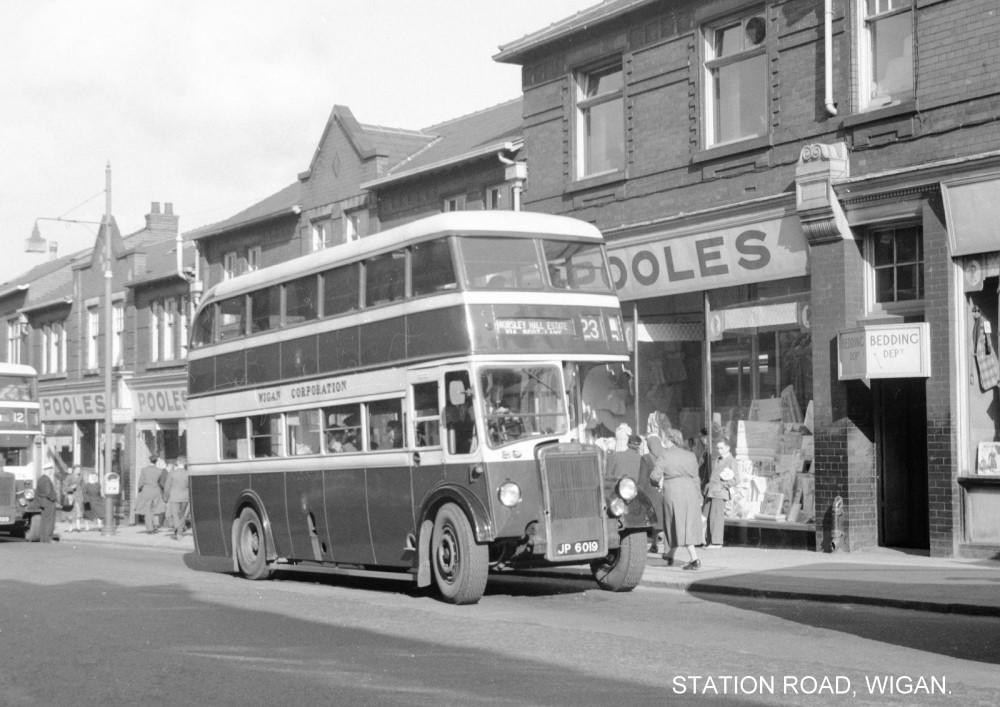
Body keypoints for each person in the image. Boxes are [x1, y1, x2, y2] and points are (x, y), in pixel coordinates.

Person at [648, 428, 703, 570]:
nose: (663, 441)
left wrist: (657, 484)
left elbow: (654, 476)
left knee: (675, 524)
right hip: (690, 491)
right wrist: (699, 496)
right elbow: (696, 478)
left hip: (673, 491)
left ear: (670, 439)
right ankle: (670, 554)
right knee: (684, 523)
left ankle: (694, 559)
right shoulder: (691, 455)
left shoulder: (665, 455)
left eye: (665, 438)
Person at [703, 437, 735, 549]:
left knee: (716, 517)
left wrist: (723, 485)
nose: (719, 450)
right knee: (706, 516)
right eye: (718, 448)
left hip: (720, 492)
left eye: (721, 448)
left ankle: (716, 542)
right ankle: (707, 540)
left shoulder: (731, 460)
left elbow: (736, 479)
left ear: (728, 448)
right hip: (712, 491)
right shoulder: (718, 459)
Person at [136, 455, 166, 533]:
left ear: (149, 461)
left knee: (147, 510)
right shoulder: (160, 470)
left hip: (146, 490)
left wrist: (139, 489)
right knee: (156, 508)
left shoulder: (144, 470)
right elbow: (161, 482)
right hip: (156, 490)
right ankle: (156, 524)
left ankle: (150, 528)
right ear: (156, 461)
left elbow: (141, 482)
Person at [163, 456, 190, 540]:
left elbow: (167, 487)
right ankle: (180, 532)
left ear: (178, 463)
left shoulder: (172, 473)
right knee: (182, 515)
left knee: (175, 515)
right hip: (185, 496)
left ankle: (178, 530)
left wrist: (165, 497)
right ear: (185, 463)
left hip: (174, 496)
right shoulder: (187, 473)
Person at [35, 466, 59, 543]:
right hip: (48, 503)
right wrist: (54, 498)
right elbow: (48, 492)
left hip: (43, 502)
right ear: (47, 470)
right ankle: (48, 538)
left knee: (44, 521)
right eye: (50, 470)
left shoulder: (41, 479)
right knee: (49, 521)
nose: (51, 471)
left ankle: (43, 538)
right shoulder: (46, 480)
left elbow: (37, 492)